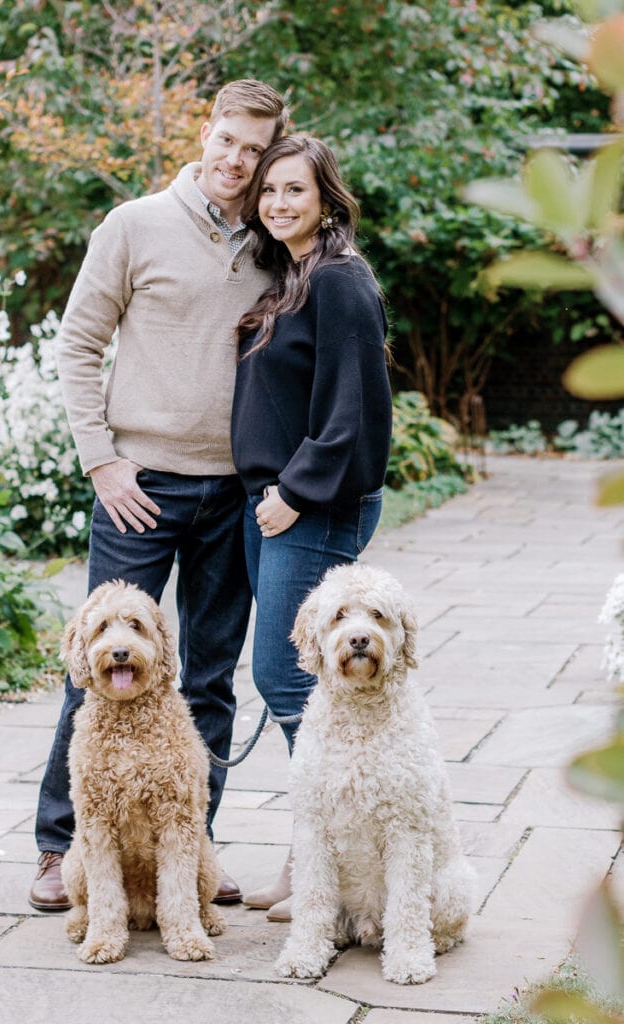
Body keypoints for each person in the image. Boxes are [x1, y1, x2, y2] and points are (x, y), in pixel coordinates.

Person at [28, 80, 289, 912]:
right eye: (227, 140)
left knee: (206, 678)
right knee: (97, 667)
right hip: (137, 484)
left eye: (254, 149)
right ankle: (58, 845)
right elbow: (77, 343)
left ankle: (191, 852)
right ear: (203, 133)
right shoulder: (134, 225)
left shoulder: (273, 244)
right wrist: (101, 462)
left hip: (232, 494)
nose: (237, 160)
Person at [230, 135, 394, 922]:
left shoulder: (339, 281)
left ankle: (319, 861)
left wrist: (294, 490)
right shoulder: (293, 277)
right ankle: (318, 856)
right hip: (276, 503)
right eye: (269, 191)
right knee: (294, 678)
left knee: (286, 675)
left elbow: (355, 407)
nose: (278, 203)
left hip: (314, 504)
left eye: (294, 190)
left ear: (326, 197)